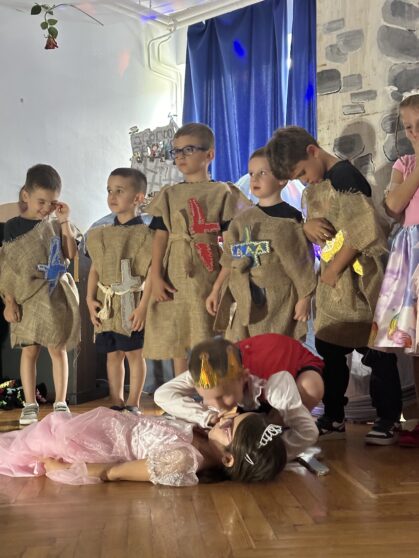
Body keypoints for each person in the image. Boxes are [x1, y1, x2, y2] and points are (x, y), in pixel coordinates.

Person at [266, 126, 403, 445]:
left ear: (313, 151)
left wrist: (335, 270)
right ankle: (334, 414)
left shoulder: (344, 177)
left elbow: (363, 228)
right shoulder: (318, 185)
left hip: (356, 279)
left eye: (303, 172)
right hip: (334, 283)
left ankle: (387, 418)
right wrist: (307, 227)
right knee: (330, 348)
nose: (305, 181)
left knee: (376, 350)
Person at [144, 123, 251, 375]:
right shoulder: (169, 195)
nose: (180, 156)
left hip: (208, 275)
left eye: (188, 150)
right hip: (174, 276)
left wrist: (220, 285)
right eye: (176, 151)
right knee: (178, 334)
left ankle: (210, 389)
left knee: (206, 335)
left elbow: (233, 244)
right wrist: (156, 275)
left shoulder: (222, 192)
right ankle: (181, 389)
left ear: (209, 154)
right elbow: (160, 237)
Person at [0, 406, 287, 486]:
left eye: (229, 427)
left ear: (228, 459)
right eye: (232, 417)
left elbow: (116, 471)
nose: (225, 418)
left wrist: (69, 469)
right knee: (33, 435)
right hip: (105, 426)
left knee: (33, 444)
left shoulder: (183, 460)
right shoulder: (203, 435)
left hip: (96, 445)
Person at [206, 147, 316, 341]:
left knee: (275, 348)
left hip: (279, 300)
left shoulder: (291, 218)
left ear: (282, 179)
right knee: (243, 349)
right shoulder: (241, 221)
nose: (254, 179)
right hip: (245, 297)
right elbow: (230, 260)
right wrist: (216, 290)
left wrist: (304, 298)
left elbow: (301, 263)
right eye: (251, 173)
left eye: (262, 173)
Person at [0, 164, 80, 426]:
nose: (46, 208)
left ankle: (61, 402)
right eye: (41, 201)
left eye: (52, 202)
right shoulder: (12, 227)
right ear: (26, 195)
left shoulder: (55, 225)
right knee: (29, 351)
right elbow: (7, 269)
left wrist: (64, 221)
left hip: (53, 295)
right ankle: (30, 404)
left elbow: (70, 254)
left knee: (58, 348)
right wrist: (9, 301)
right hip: (26, 297)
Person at [155, 335, 321, 460]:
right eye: (207, 397)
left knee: (311, 388)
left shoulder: (276, 386)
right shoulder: (206, 372)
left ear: (244, 377)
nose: (217, 406)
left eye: (223, 396)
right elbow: (162, 394)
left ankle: (280, 423)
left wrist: (266, 455)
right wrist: (206, 416)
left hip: (293, 370)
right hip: (250, 384)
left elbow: (308, 433)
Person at [371, 93, 419, 446]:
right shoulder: (405, 163)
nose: (414, 132)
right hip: (411, 257)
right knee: (416, 343)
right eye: (408, 127)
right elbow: (392, 205)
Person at [85, 168, 152, 414]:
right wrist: (89, 298)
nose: (112, 196)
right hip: (108, 304)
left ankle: (133, 402)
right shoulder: (100, 234)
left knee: (134, 353)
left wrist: (143, 307)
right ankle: (117, 401)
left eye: (119, 191)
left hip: (132, 303)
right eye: (109, 190)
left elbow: (152, 274)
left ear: (137, 198)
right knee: (113, 354)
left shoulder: (147, 235)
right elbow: (96, 268)